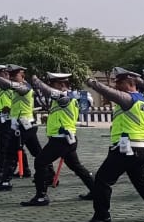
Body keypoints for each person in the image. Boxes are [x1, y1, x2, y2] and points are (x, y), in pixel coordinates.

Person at [78, 69, 144, 222]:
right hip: (141, 148)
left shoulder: (128, 99)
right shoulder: (143, 102)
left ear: (129, 84)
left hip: (126, 149)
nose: (116, 86)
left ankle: (102, 216)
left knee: (102, 180)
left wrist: (91, 82)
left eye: (119, 83)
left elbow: (108, 92)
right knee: (140, 182)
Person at [20, 72, 96, 206]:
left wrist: (37, 81)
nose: (51, 87)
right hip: (67, 139)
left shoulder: (65, 97)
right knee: (77, 167)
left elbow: (49, 91)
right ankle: (96, 190)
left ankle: (41, 196)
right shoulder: (69, 98)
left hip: (61, 140)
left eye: (53, 84)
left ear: (62, 85)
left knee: (40, 162)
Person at [0, 64, 41, 191]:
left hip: (25, 125)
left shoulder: (24, 87)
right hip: (22, 125)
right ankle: (46, 175)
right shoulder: (16, 88)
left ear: (22, 75)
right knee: (37, 153)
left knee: (11, 153)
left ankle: (5, 181)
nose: (12, 77)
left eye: (15, 75)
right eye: (11, 75)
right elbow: (1, 84)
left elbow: (8, 84)